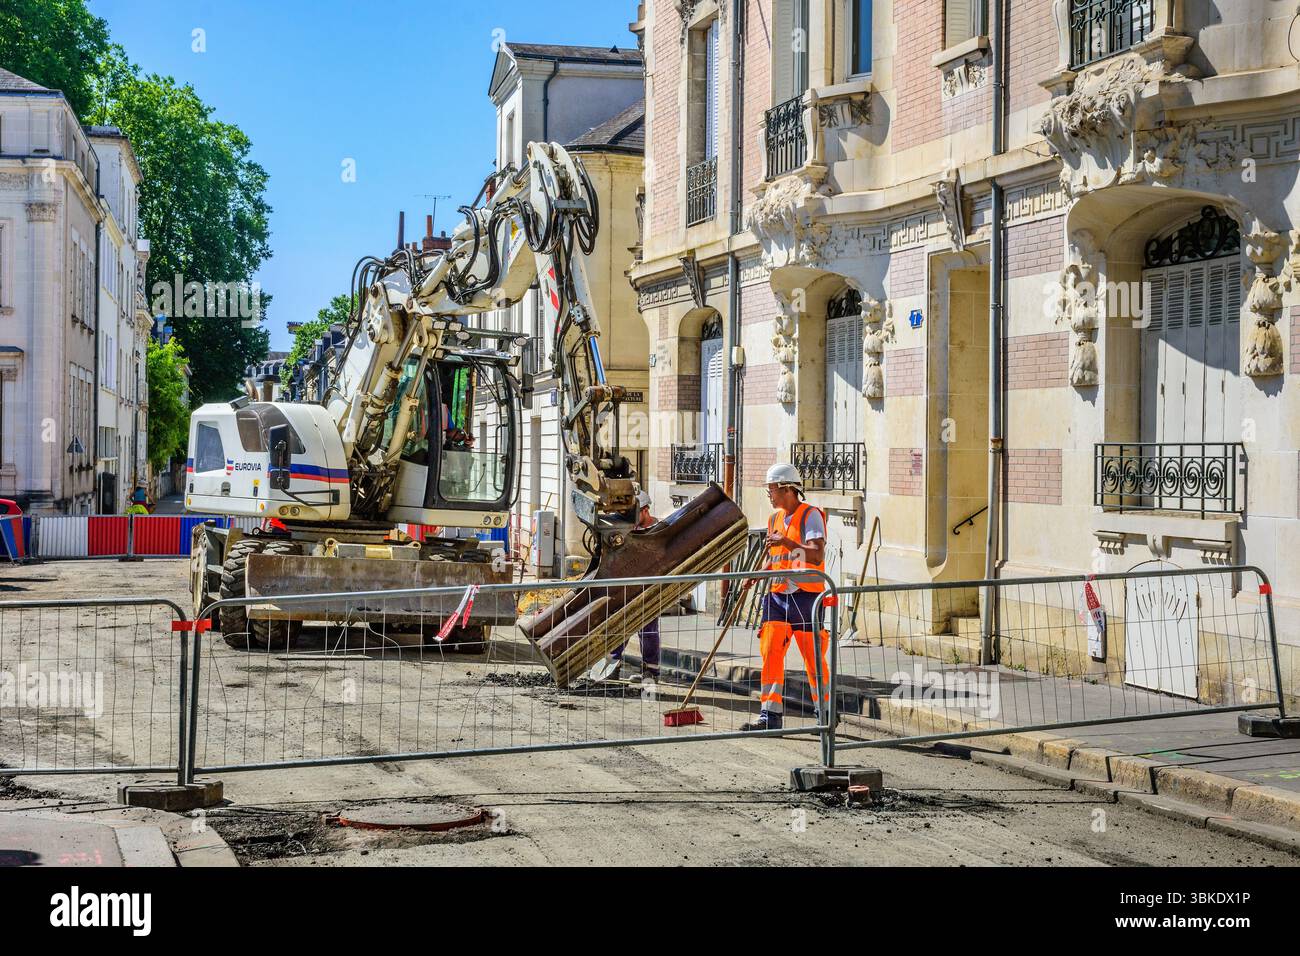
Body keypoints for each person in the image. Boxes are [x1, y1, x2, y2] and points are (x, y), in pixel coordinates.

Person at [741, 463, 830, 731]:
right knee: (770, 652)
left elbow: (816, 555)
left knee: (812, 657)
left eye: (771, 489)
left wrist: (787, 543)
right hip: (778, 596)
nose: (769, 494)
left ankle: (824, 713)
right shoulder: (774, 520)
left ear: (787, 488)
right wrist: (757, 573)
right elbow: (777, 558)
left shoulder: (810, 516)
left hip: (806, 597)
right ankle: (770, 715)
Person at [585, 486, 661, 683]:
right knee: (621, 626)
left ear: (645, 510)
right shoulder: (626, 530)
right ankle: (613, 665)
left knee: (648, 629)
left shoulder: (658, 529)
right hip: (627, 587)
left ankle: (651, 671)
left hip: (649, 587)